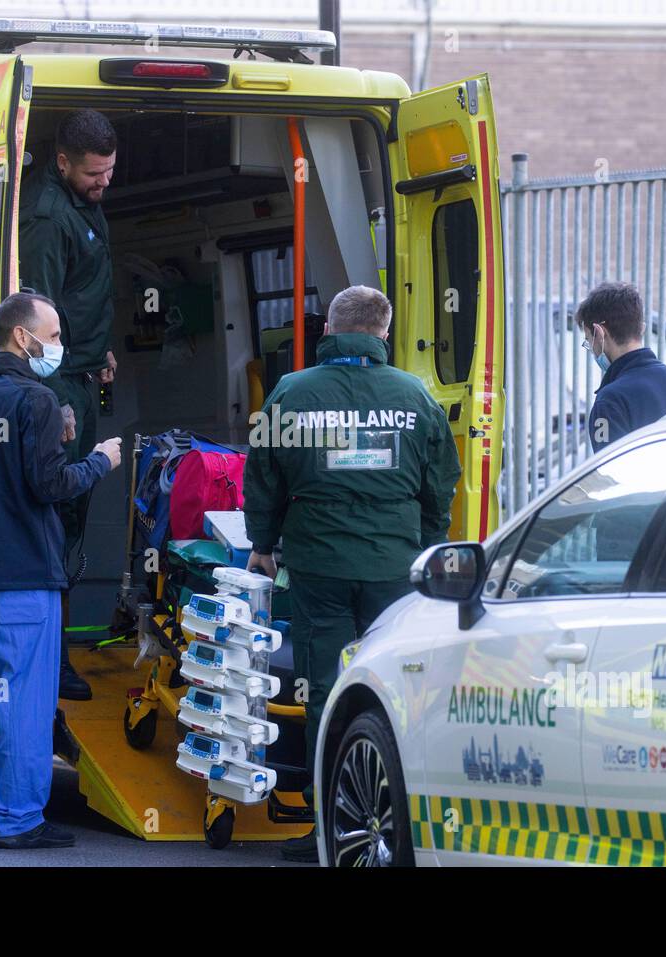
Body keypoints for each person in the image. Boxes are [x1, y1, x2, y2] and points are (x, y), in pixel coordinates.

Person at [243, 284, 461, 863]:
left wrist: (263, 543)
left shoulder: (291, 394)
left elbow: (262, 475)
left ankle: (327, 827)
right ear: (384, 333)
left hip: (319, 567)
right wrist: (430, 546)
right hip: (396, 570)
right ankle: (398, 823)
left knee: (326, 691)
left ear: (329, 331)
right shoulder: (415, 395)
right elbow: (441, 484)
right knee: (398, 691)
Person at [0, 291, 122, 850]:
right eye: (55, 335)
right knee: (24, 698)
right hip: (25, 579)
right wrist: (99, 461)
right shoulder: (35, 400)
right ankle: (19, 819)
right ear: (24, 337)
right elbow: (49, 485)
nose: (59, 346)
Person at [18, 108, 119, 701]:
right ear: (62, 163)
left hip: (82, 376)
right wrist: (55, 402)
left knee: (72, 518)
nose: (104, 183)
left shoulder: (83, 205)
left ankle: (52, 655)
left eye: (109, 172)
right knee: (55, 522)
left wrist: (98, 352)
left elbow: (79, 303)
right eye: (93, 174)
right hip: (59, 390)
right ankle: (48, 662)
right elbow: (35, 320)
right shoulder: (48, 218)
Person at [578, 281, 666, 453]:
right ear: (641, 329)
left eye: (588, 340)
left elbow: (611, 473)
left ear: (599, 333)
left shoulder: (610, 401)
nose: (591, 348)